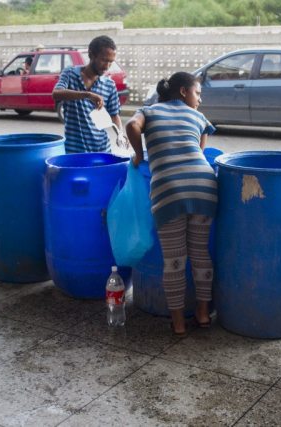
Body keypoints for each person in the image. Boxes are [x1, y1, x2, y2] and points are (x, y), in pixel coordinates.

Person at [126, 72, 217, 336]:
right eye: (197, 93)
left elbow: (132, 126)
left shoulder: (149, 111)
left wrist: (139, 154)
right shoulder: (199, 118)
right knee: (200, 253)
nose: (200, 99)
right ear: (182, 92)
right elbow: (200, 153)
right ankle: (202, 313)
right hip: (204, 187)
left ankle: (178, 322)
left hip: (168, 191)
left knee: (174, 260)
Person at [52, 35, 122, 153]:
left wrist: (120, 134)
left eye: (111, 62)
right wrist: (87, 95)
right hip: (74, 151)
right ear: (91, 55)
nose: (107, 66)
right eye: (104, 60)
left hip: (102, 151)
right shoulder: (70, 74)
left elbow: (114, 115)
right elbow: (56, 94)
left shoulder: (110, 85)